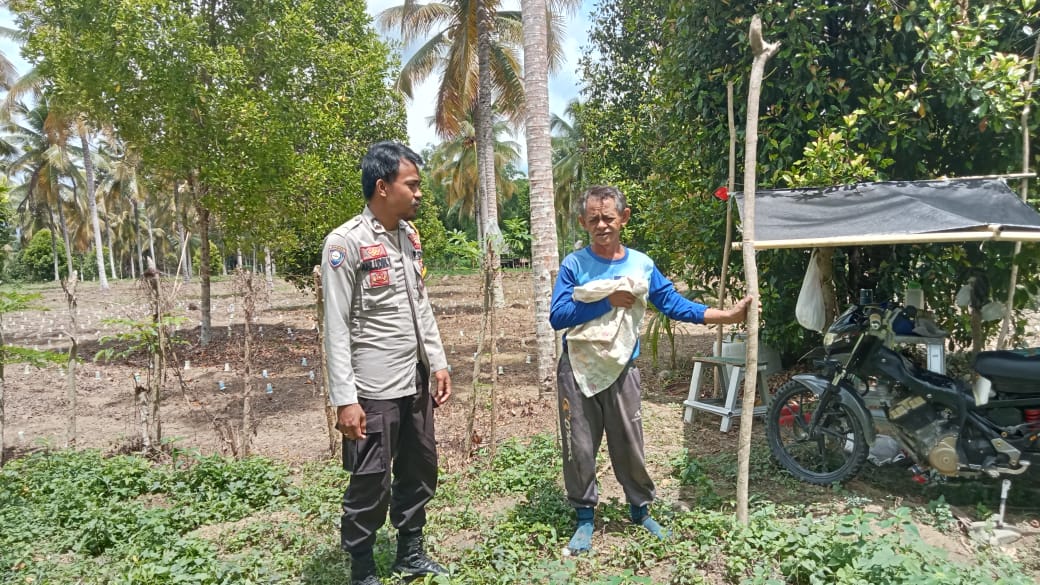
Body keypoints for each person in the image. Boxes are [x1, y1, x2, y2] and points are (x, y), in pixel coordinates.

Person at [550, 185, 753, 555]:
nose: (601, 225)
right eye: (593, 219)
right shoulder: (574, 265)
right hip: (577, 368)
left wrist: (725, 315)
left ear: (624, 218)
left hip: (622, 368)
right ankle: (584, 518)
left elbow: (672, 303)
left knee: (630, 444)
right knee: (579, 447)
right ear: (582, 222)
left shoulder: (641, 265)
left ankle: (640, 510)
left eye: (608, 218)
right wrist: (607, 301)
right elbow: (558, 316)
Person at [322, 141, 452, 585]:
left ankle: (409, 554)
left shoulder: (409, 237)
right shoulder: (345, 243)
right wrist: (345, 399)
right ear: (382, 187)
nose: (419, 193)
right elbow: (336, 325)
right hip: (372, 388)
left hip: (414, 379)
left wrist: (437, 362)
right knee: (370, 481)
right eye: (411, 185)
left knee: (420, 468)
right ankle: (362, 570)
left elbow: (421, 304)